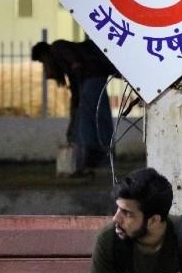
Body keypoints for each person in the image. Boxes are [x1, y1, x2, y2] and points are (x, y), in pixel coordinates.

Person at [31, 39, 118, 176]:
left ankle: (98, 158)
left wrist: (79, 92)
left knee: (92, 118)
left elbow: (77, 65)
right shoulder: (64, 62)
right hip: (93, 77)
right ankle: (95, 158)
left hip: (92, 77)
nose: (44, 66)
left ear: (44, 53)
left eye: (42, 61)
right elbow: (75, 90)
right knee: (92, 117)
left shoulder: (57, 47)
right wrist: (73, 118)